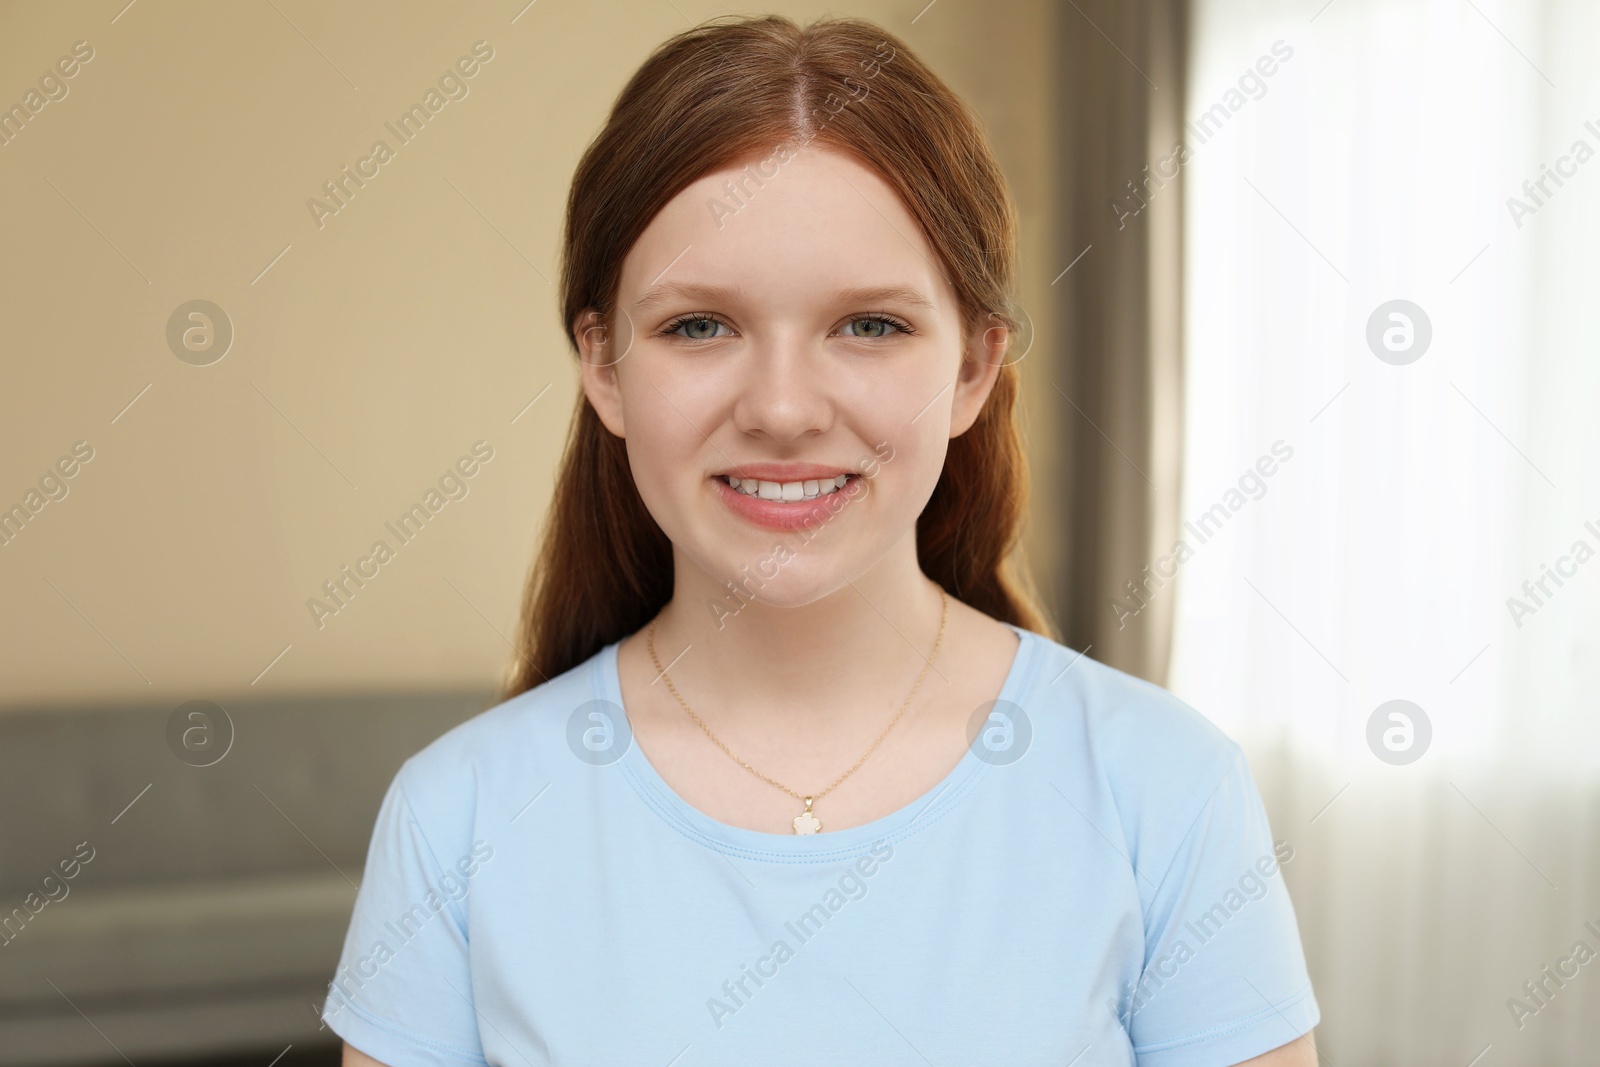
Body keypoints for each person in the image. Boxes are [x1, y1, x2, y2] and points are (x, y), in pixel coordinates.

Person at [321, 13, 1319, 1065]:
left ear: (974, 368)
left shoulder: (1162, 787)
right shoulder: (459, 817)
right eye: (699, 325)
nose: (784, 408)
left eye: (870, 325)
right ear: (604, 367)